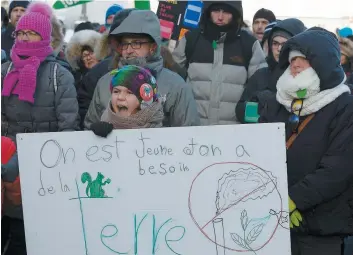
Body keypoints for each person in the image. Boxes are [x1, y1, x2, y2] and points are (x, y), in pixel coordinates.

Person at [254, 28, 353, 255]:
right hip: (271, 222)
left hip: (320, 228)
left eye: (303, 59)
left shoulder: (345, 107)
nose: (295, 65)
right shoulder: (277, 104)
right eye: (292, 59)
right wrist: (276, 201)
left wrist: (293, 200)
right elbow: (259, 154)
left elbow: (337, 169)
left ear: (324, 64)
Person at [1, 3, 80, 254]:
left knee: (45, 231)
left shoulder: (60, 74)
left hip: (47, 165)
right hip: (11, 166)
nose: (23, 37)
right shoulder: (6, 71)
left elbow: (69, 125)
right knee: (15, 231)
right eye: (20, 33)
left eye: (30, 33)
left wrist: (53, 162)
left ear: (44, 36)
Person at [84, 9, 200, 129]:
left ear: (152, 46)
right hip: (113, 148)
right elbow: (89, 125)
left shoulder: (175, 85)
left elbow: (188, 132)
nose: (129, 50)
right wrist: (96, 131)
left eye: (136, 43)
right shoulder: (105, 82)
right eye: (125, 44)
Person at [172, 1, 267, 125]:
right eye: (216, 10)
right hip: (194, 128)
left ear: (235, 14)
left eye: (226, 11)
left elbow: (259, 88)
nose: (220, 17)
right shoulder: (191, 40)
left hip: (234, 131)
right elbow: (172, 80)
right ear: (208, 12)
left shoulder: (249, 44)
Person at [236, 18, 306, 123]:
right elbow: (240, 112)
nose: (279, 49)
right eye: (275, 43)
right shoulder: (261, 75)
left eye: (284, 44)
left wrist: (273, 102)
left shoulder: (306, 77)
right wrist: (260, 104)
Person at [90, 65, 164, 137]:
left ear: (144, 100)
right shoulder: (104, 123)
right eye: (116, 91)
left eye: (129, 92)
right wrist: (94, 138)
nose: (120, 97)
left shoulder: (161, 132)